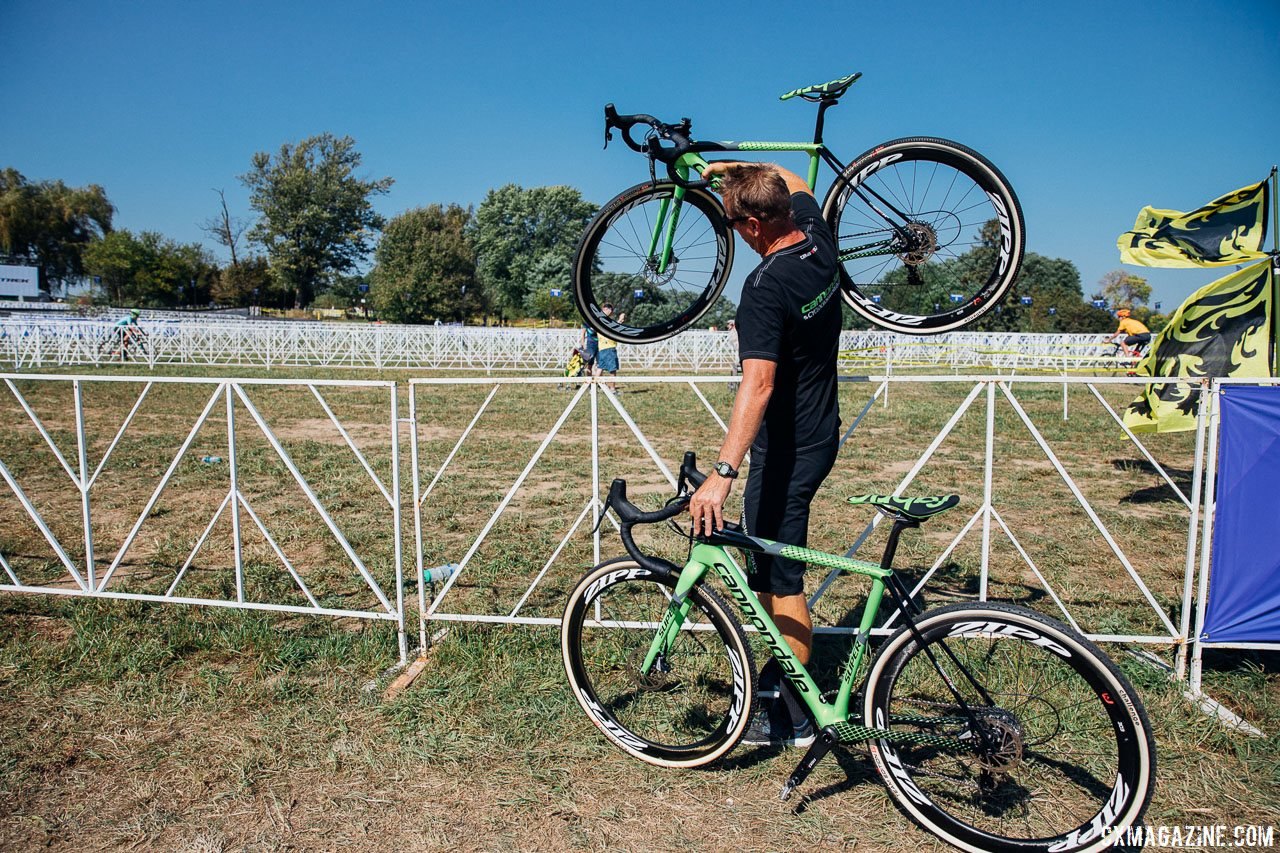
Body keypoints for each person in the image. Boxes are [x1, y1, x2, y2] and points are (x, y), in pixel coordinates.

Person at [688, 161, 842, 748]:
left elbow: (758, 386)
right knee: (766, 571)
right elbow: (792, 180)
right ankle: (782, 676)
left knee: (783, 579)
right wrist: (737, 168)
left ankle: (796, 713)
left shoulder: (765, 285)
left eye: (734, 226)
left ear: (752, 224)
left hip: (787, 449)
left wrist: (721, 475)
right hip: (817, 433)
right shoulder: (818, 241)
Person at [594, 303, 626, 391]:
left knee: (600, 368)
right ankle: (612, 389)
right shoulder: (604, 320)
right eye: (610, 310)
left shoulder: (598, 320)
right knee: (612, 370)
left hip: (602, 347)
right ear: (605, 309)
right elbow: (614, 329)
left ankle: (592, 388)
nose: (611, 312)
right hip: (609, 347)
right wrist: (620, 320)